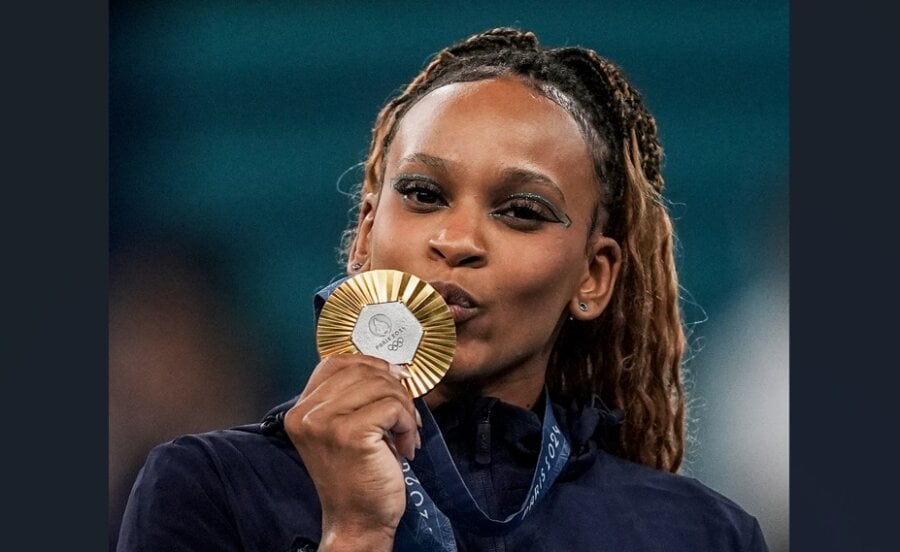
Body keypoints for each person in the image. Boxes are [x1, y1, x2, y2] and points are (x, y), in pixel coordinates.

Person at [116, 27, 769, 551]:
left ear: (593, 277)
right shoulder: (212, 489)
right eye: (424, 194)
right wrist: (355, 533)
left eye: (521, 211)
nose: (457, 240)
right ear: (366, 234)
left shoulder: (696, 533)